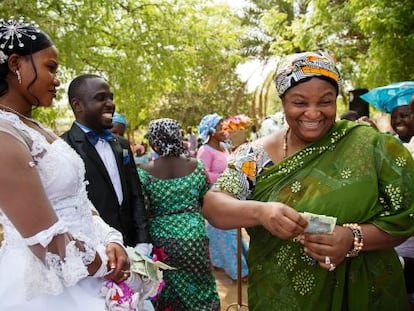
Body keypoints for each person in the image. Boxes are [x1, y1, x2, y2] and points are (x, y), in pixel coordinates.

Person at [201, 51, 414, 310]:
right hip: (281, 297)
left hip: (366, 296)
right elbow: (214, 206)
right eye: (300, 103)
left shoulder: (370, 146)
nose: (313, 114)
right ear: (283, 102)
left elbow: (405, 217)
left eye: (325, 102)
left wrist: (352, 238)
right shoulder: (255, 155)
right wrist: (261, 212)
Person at [0, 17, 141, 310]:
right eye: (50, 67)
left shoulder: (38, 129)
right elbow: (45, 240)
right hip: (51, 287)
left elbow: (79, 200)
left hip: (90, 265)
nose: (57, 80)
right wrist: (107, 264)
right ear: (16, 64)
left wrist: (112, 240)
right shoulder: (4, 135)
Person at [61, 74, 151, 253]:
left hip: (132, 246)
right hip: (95, 250)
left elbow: (135, 194)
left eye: (111, 98)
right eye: (101, 98)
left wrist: (142, 241)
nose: (110, 103)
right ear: (77, 105)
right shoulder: (63, 148)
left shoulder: (121, 144)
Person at [137, 118, 220, 310]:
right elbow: (204, 199)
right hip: (194, 237)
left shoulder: (144, 172)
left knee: (167, 288)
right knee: (201, 286)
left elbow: (144, 209)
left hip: (162, 242)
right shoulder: (197, 166)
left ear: (155, 142)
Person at [197, 113, 248, 281]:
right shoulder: (204, 151)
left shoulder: (224, 147)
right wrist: (224, 176)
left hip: (230, 193)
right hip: (216, 196)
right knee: (228, 233)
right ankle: (238, 271)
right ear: (211, 131)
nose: (223, 130)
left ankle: (219, 261)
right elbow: (203, 174)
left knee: (226, 232)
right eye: (220, 127)